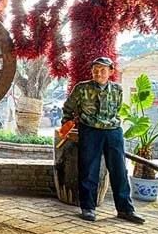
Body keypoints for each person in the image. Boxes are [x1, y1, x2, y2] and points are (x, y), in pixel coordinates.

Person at [62, 56, 145, 224]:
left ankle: (125, 209)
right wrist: (67, 125)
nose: (98, 73)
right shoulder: (82, 88)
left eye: (103, 70)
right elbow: (68, 108)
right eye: (95, 70)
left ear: (110, 71)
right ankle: (88, 208)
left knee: (119, 170)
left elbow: (117, 109)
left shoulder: (117, 89)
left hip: (113, 132)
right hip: (90, 131)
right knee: (88, 169)